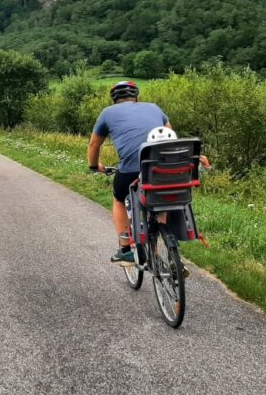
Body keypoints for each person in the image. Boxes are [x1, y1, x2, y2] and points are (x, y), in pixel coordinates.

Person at [86, 81, 209, 265]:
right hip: (166, 169)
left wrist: (95, 166)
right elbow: (170, 139)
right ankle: (163, 247)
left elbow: (94, 144)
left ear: (114, 99)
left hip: (131, 170)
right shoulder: (154, 108)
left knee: (119, 199)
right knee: (160, 194)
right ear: (136, 97)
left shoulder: (107, 113)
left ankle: (125, 248)